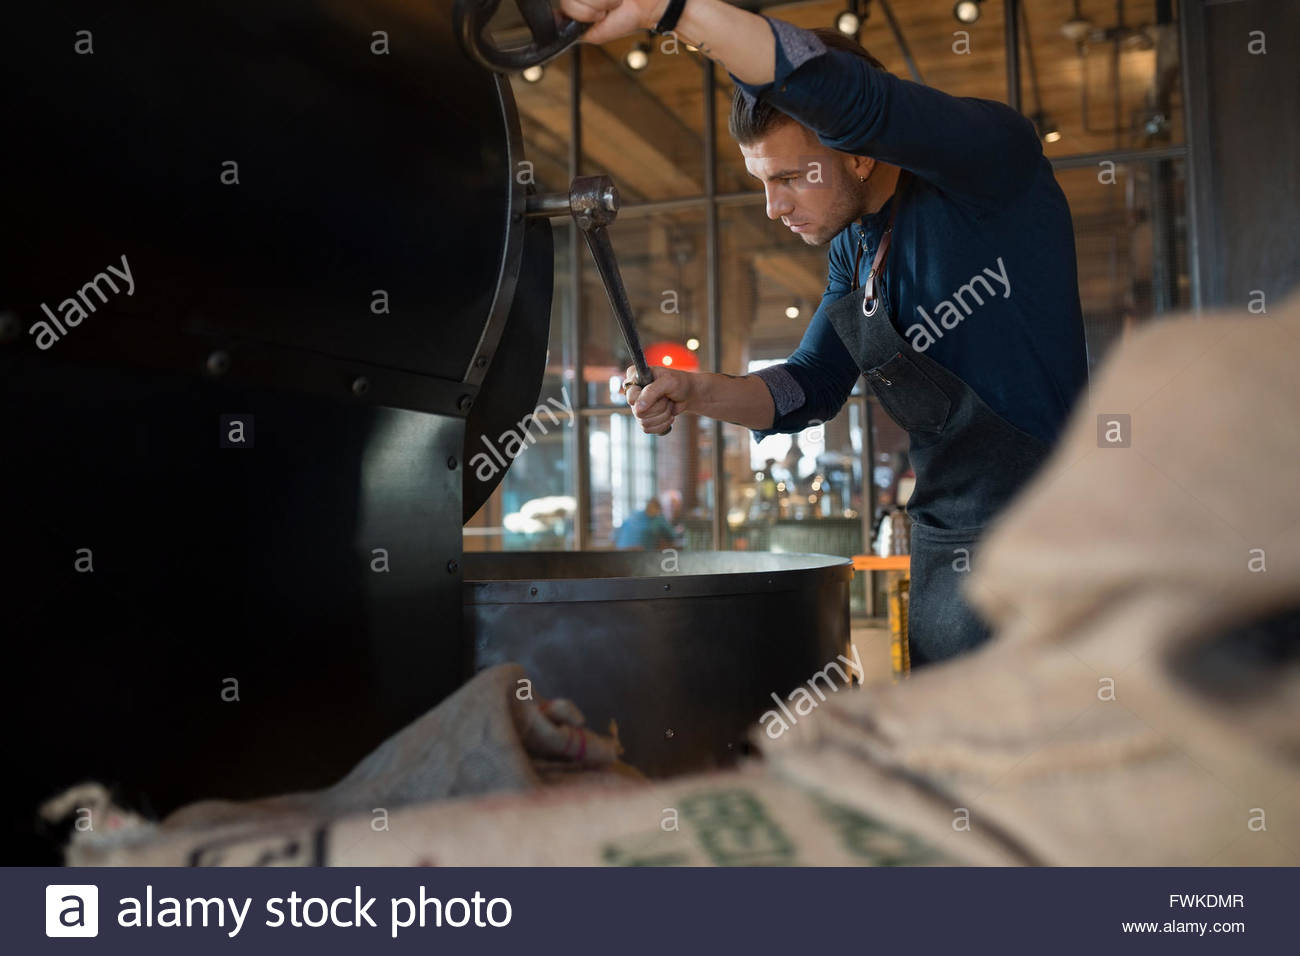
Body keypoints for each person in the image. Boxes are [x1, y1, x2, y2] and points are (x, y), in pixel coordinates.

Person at [589, 0, 1088, 665]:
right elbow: (809, 387)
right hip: (944, 551)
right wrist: (692, 389)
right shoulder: (854, 251)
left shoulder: (989, 169)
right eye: (762, 182)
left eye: (791, 177)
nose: (774, 207)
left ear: (857, 154)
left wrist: (671, 10)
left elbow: (861, 103)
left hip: (1051, 547)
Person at [613, 496, 678, 550]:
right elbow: (672, 536)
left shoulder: (633, 515)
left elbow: (614, 536)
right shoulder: (658, 520)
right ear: (658, 509)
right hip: (641, 556)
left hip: (620, 553)